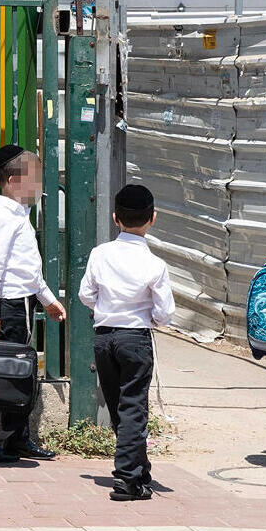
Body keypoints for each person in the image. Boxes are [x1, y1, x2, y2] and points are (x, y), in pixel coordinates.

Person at [78, 183, 175, 500]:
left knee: (121, 409)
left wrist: (105, 310)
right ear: (153, 218)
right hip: (135, 338)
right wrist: (150, 319)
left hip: (104, 338)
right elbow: (165, 313)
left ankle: (139, 471)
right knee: (134, 407)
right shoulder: (155, 265)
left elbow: (85, 295)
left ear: (116, 218)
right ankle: (127, 479)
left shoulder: (99, 254)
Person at [0, 145, 66, 463]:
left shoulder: (19, 216)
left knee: (21, 374)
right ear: (13, 181)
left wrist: (48, 301)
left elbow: (28, 270)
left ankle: (15, 439)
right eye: (34, 178)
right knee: (3, 375)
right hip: (9, 307)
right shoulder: (1, 218)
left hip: (22, 304)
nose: (39, 185)